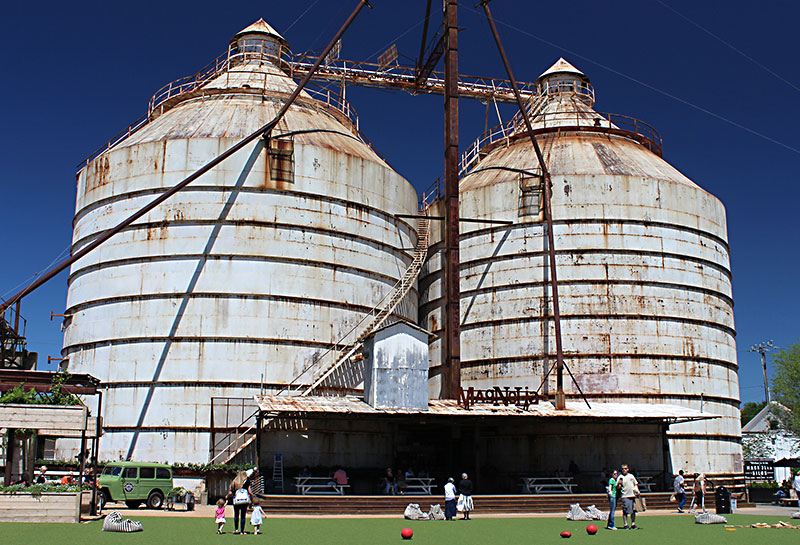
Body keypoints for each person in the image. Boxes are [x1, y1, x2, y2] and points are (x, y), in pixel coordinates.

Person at [228, 467, 258, 534]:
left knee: (236, 515)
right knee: (243, 516)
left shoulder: (235, 481)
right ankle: (242, 531)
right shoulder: (247, 481)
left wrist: (228, 496)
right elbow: (249, 491)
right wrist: (252, 498)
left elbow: (231, 490)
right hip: (244, 500)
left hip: (236, 500)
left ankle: (236, 529)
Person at [616, 464, 640, 529]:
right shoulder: (620, 477)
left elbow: (635, 484)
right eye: (623, 468)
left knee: (633, 510)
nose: (624, 470)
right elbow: (617, 487)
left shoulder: (631, 476)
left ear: (628, 469)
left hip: (632, 495)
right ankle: (626, 524)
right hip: (625, 496)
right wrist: (619, 483)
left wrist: (637, 491)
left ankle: (633, 523)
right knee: (625, 510)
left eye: (625, 468)